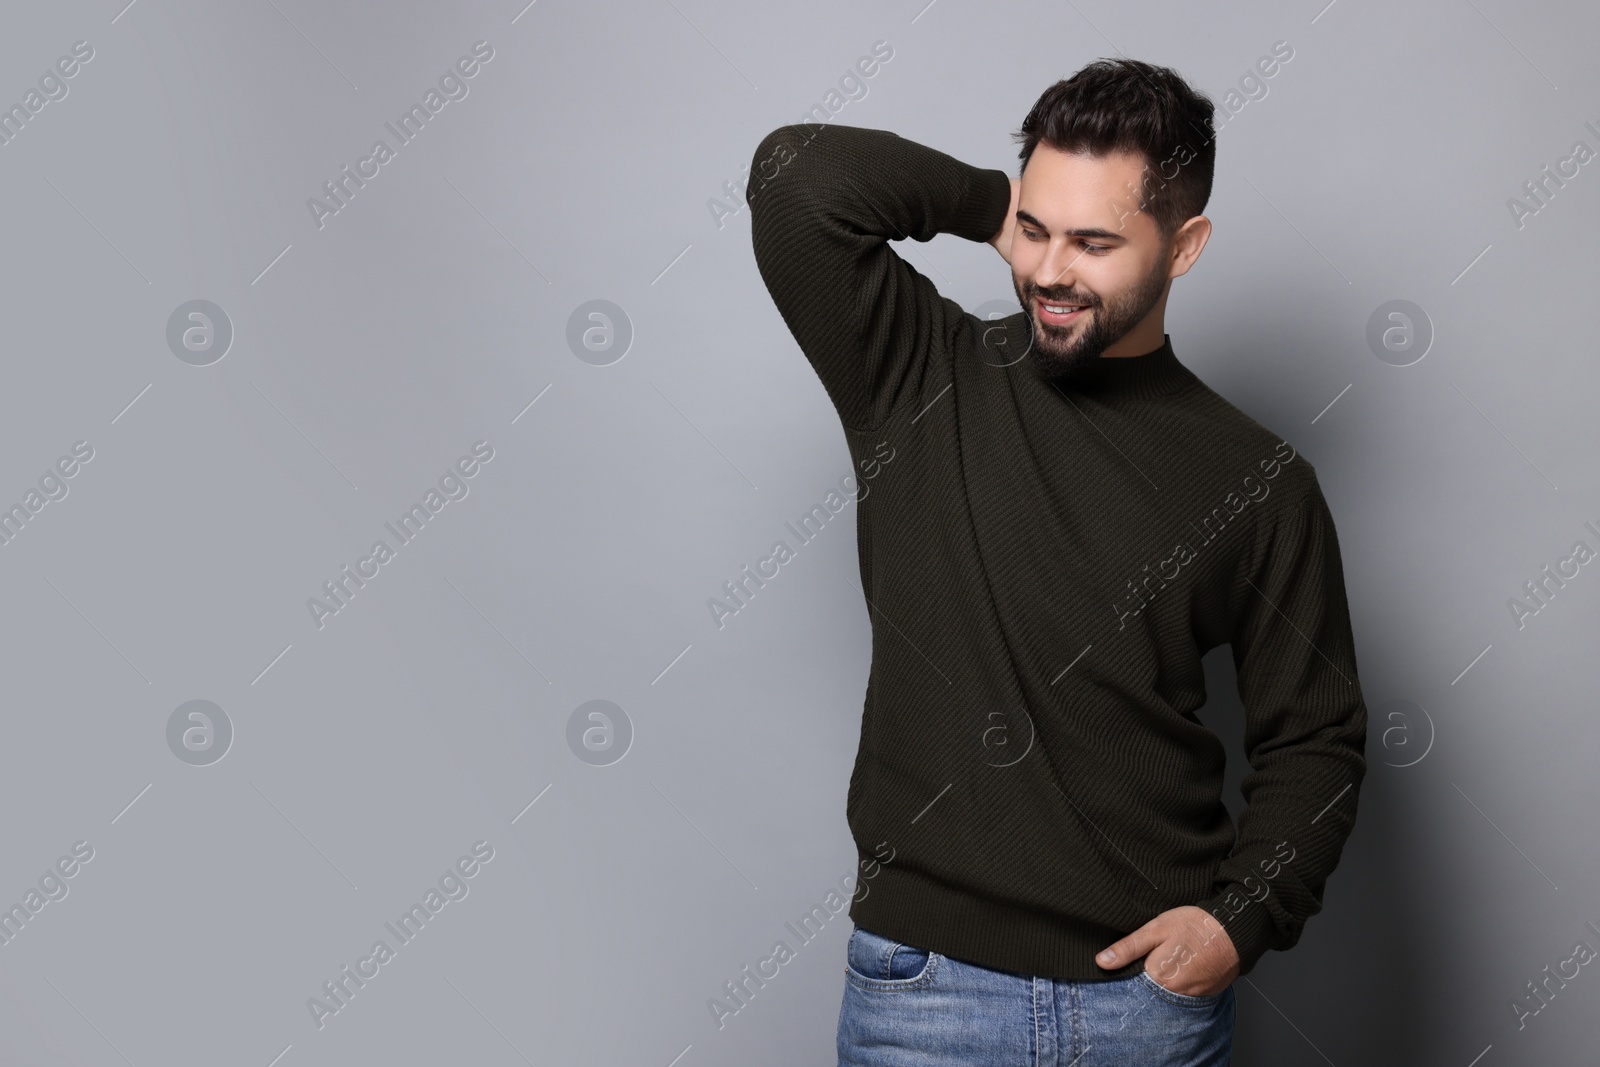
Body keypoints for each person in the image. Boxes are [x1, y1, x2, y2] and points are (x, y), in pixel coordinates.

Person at [746, 57, 1367, 1065]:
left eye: (1093, 240)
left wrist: (1235, 921)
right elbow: (794, 179)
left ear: (1185, 244)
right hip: (922, 1000)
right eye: (1035, 230)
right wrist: (998, 200)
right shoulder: (917, 376)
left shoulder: (1261, 481)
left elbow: (1318, 740)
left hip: (1146, 1012)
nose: (1046, 270)